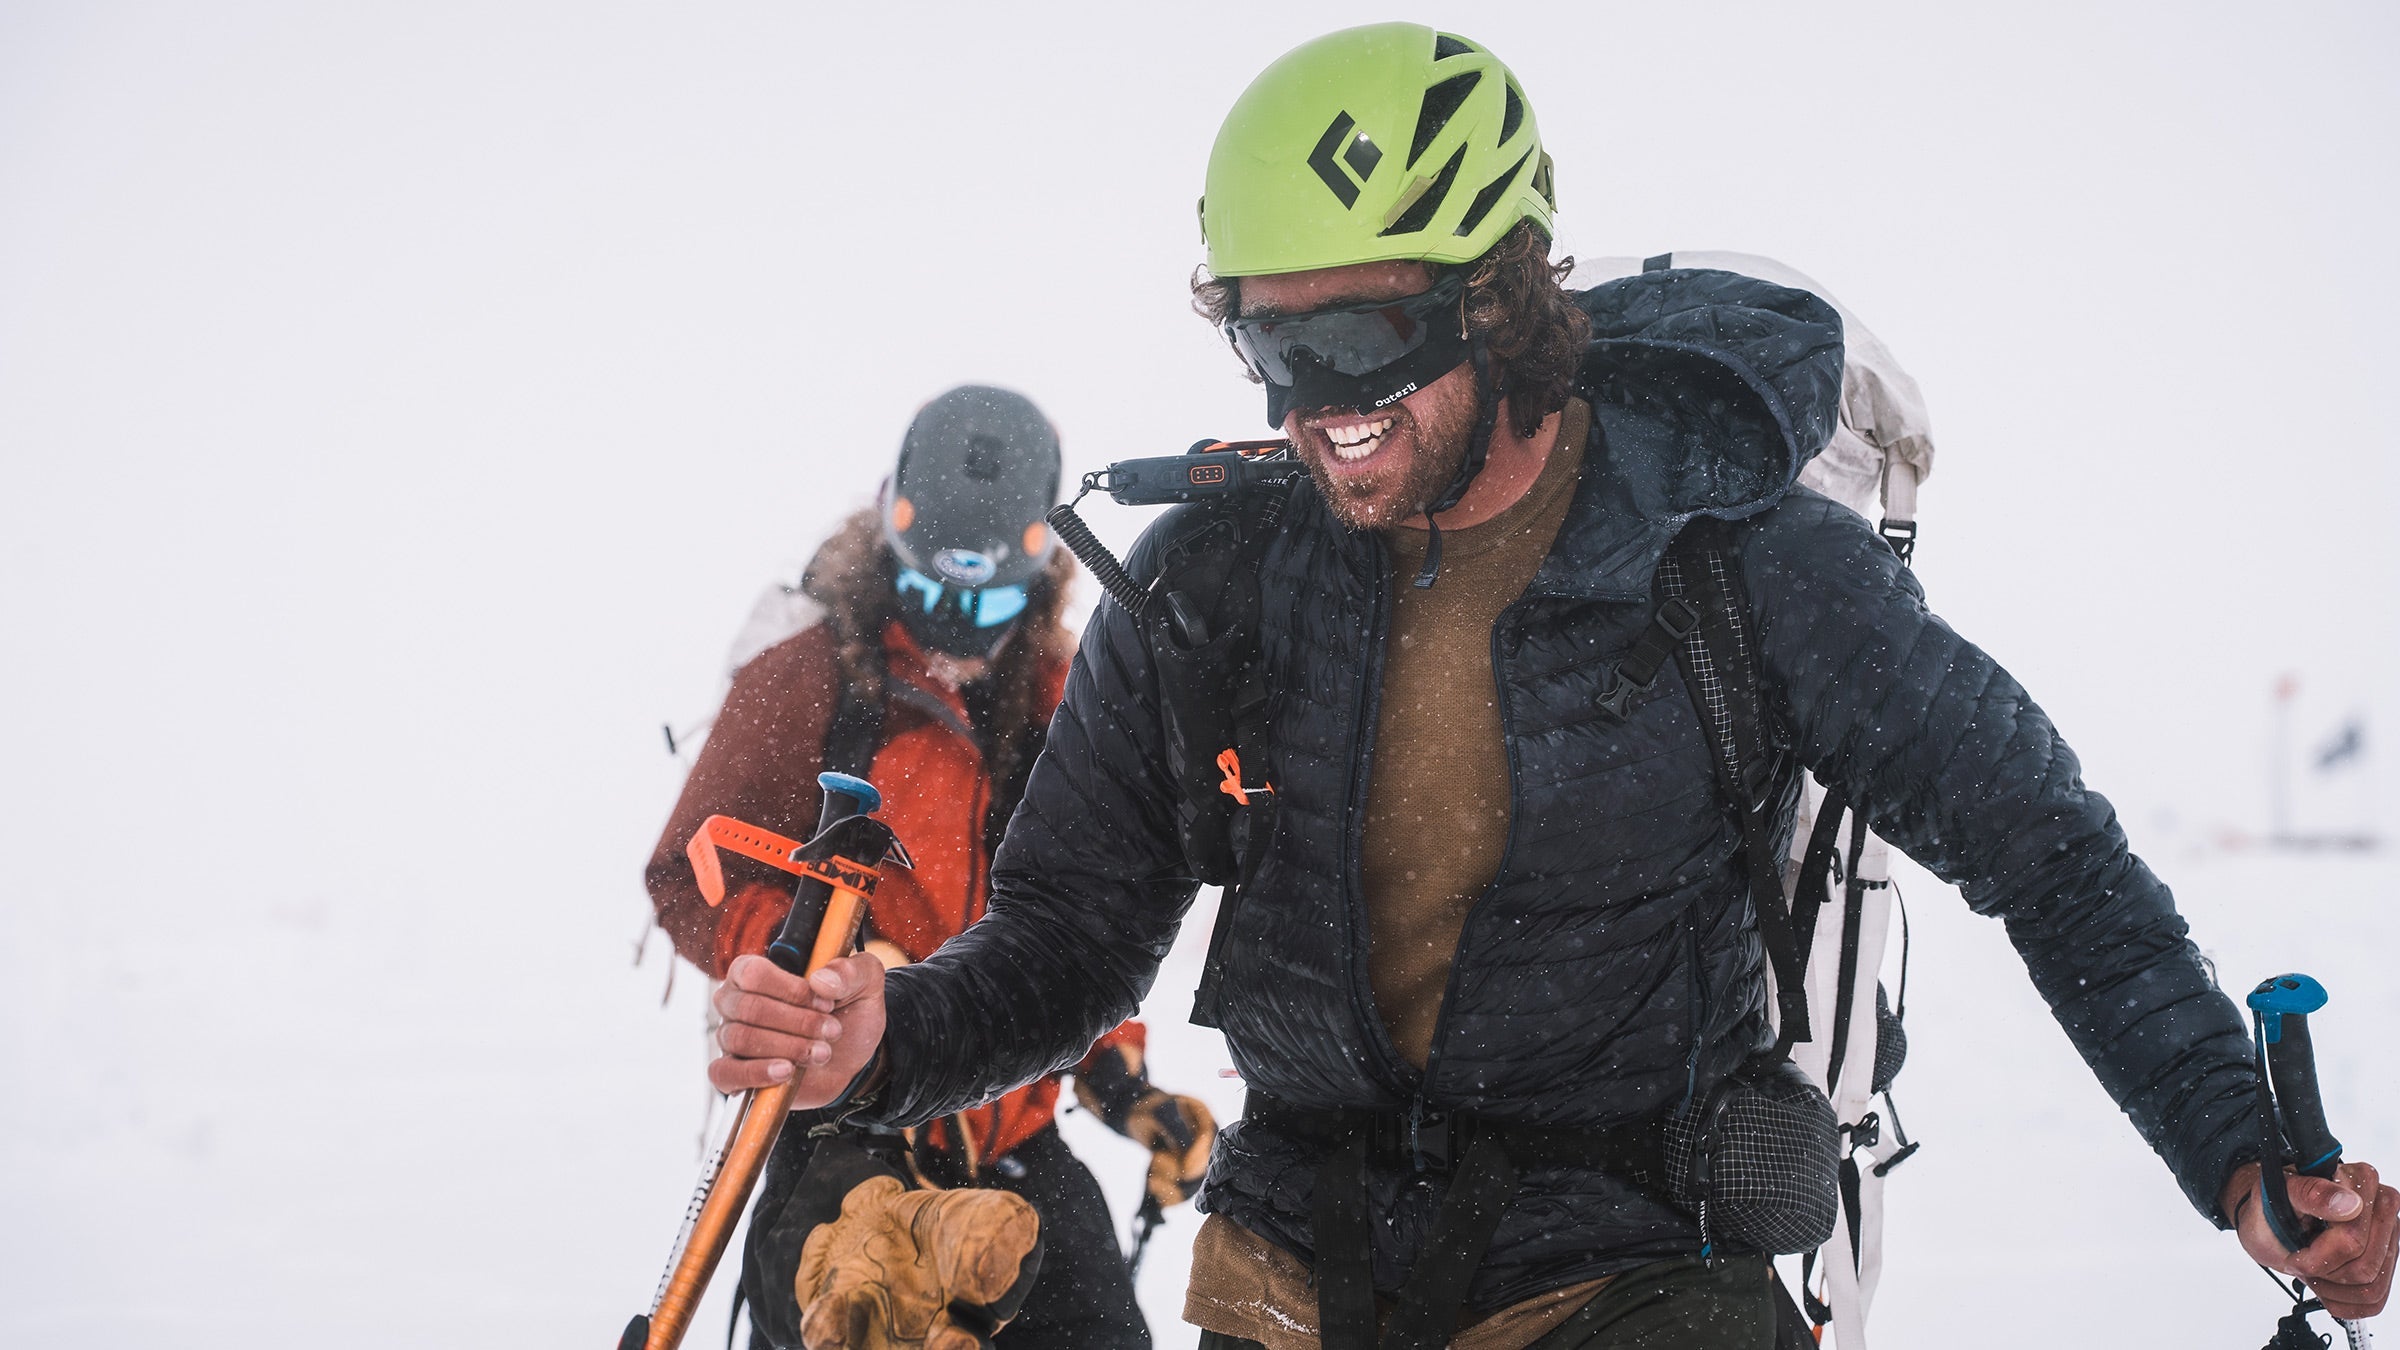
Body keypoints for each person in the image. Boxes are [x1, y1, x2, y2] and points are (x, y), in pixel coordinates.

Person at [701, 26, 2399, 1350]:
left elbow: (2047, 851)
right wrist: (889, 1036)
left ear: (1498, 300)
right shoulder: (1218, 580)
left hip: (1634, 1267)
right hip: (1297, 1270)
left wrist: (2237, 1148)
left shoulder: (1738, 558)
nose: (1317, 403)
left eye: (1363, 342)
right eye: (1275, 345)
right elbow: (1071, 930)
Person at [645, 385, 1212, 1350]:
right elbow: (689, 873)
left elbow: (1077, 921)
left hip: (1009, 1128)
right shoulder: (808, 679)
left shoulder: (1064, 702)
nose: (957, 627)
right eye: (932, 594)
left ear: (1041, 574)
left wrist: (1120, 1077)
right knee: (853, 1314)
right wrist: (819, 959)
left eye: (987, 602)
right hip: (838, 1117)